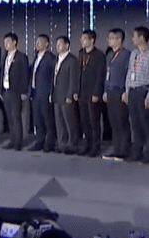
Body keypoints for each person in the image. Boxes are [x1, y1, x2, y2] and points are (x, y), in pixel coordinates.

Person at [125, 27, 149, 163]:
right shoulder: (133, 54)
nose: (132, 39)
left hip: (143, 91)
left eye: (134, 36)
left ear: (141, 38)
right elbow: (129, 73)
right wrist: (127, 91)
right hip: (133, 92)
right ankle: (136, 152)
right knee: (135, 124)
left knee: (147, 124)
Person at [102, 29, 130, 161]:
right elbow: (107, 75)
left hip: (120, 91)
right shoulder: (110, 55)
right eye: (108, 38)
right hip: (110, 91)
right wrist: (105, 91)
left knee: (121, 121)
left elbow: (128, 74)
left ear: (119, 39)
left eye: (112, 38)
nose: (109, 40)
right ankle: (116, 149)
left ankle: (124, 150)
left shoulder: (126, 55)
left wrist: (126, 91)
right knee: (113, 122)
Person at [77, 30, 106, 158]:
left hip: (93, 92)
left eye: (84, 38)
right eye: (81, 39)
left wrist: (96, 93)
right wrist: (76, 91)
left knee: (94, 121)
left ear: (91, 40)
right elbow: (78, 74)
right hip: (82, 92)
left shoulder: (99, 55)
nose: (81, 41)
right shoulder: (81, 54)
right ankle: (87, 144)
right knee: (84, 121)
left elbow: (100, 75)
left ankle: (96, 146)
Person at [0, 33, 29, 150]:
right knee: (9, 117)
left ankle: (18, 142)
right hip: (5, 91)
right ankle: (12, 140)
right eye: (4, 42)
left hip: (16, 91)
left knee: (16, 117)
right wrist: (0, 90)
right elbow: (2, 73)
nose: (5, 44)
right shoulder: (5, 57)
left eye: (8, 41)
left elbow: (25, 75)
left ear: (14, 42)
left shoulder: (21, 57)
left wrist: (24, 91)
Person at [52, 36, 81, 155]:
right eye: (57, 44)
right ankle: (61, 144)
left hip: (66, 95)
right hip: (57, 94)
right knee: (59, 122)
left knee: (70, 122)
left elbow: (74, 79)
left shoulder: (72, 60)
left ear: (67, 45)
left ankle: (72, 144)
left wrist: (70, 95)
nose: (57, 46)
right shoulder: (56, 59)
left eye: (60, 44)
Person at [28, 35, 57, 152]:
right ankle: (40, 141)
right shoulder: (36, 58)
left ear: (47, 44)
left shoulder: (51, 58)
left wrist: (51, 92)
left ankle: (50, 143)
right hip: (35, 93)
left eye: (40, 42)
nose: (37, 44)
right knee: (37, 120)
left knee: (48, 120)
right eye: (37, 42)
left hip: (45, 93)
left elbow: (53, 77)